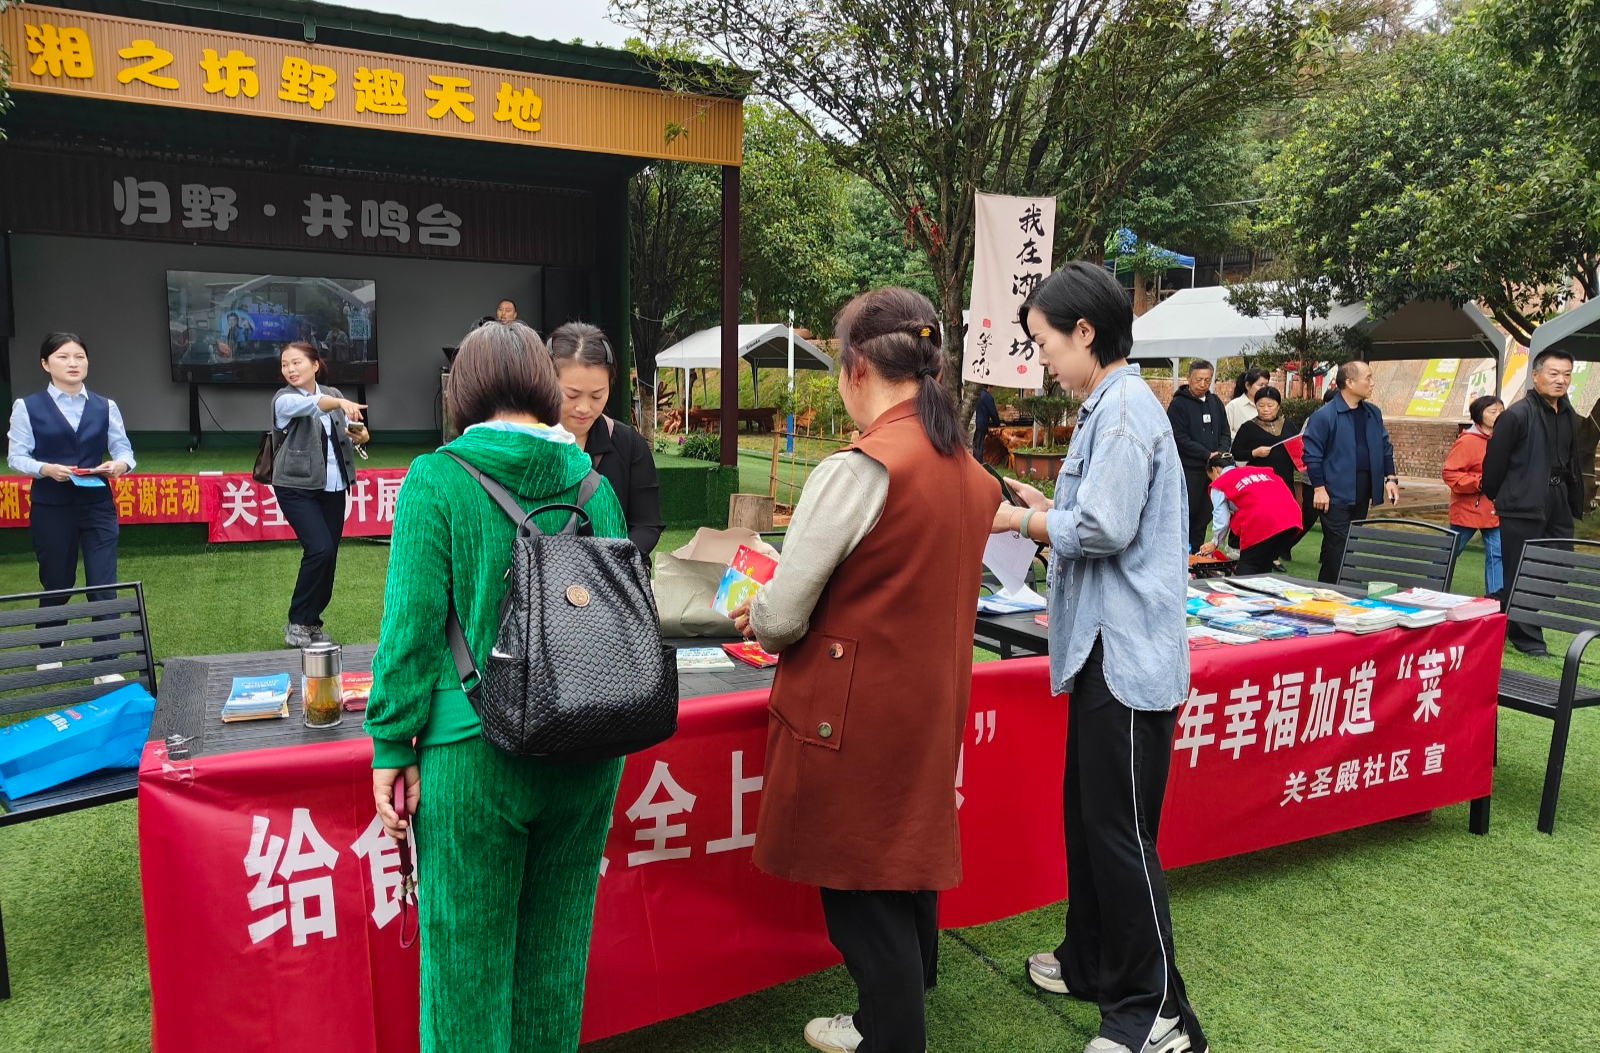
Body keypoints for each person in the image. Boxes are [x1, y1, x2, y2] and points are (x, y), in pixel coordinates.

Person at [729, 288, 999, 1053]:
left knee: (864, 904)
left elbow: (781, 618)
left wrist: (766, 604)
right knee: (905, 874)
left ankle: (891, 1036)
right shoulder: (965, 467)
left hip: (848, 719)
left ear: (854, 369)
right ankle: (882, 1022)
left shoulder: (862, 466)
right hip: (926, 709)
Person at [367, 320, 628, 1053]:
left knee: (465, 972)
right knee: (553, 959)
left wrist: (391, 743)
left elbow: (411, 629)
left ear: (463, 391)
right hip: (586, 749)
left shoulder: (437, 477)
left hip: (472, 751)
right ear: (547, 389)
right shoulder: (590, 482)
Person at [991, 261, 1207, 1053]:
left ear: (1086, 333)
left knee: (1120, 834)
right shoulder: (1109, 406)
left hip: (1125, 659)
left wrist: (1024, 525)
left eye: (1044, 341)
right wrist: (1051, 509)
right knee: (1092, 823)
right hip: (1103, 654)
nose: (1040, 357)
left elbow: (1106, 528)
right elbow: (1097, 514)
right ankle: (1089, 961)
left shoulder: (1119, 413)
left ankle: (1156, 1012)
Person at [6, 333, 136, 676]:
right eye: (63, 357)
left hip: (97, 503)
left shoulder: (105, 406)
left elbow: (123, 449)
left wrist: (119, 465)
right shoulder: (27, 406)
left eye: (79, 356)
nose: (74, 363)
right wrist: (45, 469)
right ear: (46, 364)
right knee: (57, 580)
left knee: (103, 583)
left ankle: (105, 661)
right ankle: (50, 644)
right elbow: (16, 457)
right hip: (52, 505)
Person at [1482, 350, 1585, 656]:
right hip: (1521, 502)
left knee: (1560, 568)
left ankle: (1492, 607)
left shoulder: (1568, 414)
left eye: (1566, 374)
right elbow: (1494, 464)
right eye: (1553, 373)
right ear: (1536, 375)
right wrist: (1500, 496)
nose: (1561, 380)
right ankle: (1527, 638)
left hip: (1557, 500)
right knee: (1521, 571)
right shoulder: (1516, 414)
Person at [271, 341, 368, 648]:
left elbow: (348, 435)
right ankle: (297, 621)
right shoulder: (283, 399)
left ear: (315, 365)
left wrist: (361, 436)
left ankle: (311, 622)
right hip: (295, 486)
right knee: (320, 549)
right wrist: (338, 404)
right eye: (285, 364)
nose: (290, 369)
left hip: (334, 486)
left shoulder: (334, 395)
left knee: (329, 556)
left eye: (296, 363)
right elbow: (315, 405)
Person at [547, 321, 665, 558]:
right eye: (571, 394)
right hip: (543, 582)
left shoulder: (628, 444)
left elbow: (646, 524)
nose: (584, 408)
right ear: (545, 382)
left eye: (597, 395)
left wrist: (614, 561)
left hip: (611, 580)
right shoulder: (526, 443)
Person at [1301, 360, 1399, 584]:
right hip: (1334, 489)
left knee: (1351, 541)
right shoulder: (1324, 416)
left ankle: (1338, 588)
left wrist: (1390, 478)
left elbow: (1385, 446)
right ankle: (1341, 589)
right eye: (1368, 378)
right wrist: (1319, 488)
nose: (1372, 383)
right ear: (1350, 382)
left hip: (1363, 488)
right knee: (1338, 544)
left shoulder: (1372, 413)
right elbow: (1312, 455)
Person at [1198, 453, 1303, 575]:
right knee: (1264, 565)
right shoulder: (1255, 471)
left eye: (1211, 477)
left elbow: (1222, 517)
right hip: (1290, 519)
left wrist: (1215, 542)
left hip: (1262, 521)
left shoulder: (1221, 482)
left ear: (1215, 470)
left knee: (1248, 566)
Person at [1166, 359, 1231, 552]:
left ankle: (1197, 554)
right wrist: (1206, 454)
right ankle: (1179, 555)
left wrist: (1219, 454)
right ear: (1189, 378)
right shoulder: (1178, 404)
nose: (1202, 384)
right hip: (1189, 470)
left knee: (1205, 515)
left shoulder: (1215, 402)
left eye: (1207, 380)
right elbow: (1179, 437)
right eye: (1198, 380)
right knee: (1186, 515)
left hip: (1212, 470)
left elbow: (1225, 432)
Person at [1442, 396, 1504, 598]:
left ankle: (1495, 600)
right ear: (1479, 415)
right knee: (1450, 551)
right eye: (1492, 411)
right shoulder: (1468, 440)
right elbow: (1450, 473)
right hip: (1469, 507)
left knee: (1497, 554)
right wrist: (1479, 482)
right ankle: (1431, 586)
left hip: (1494, 509)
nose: (1498, 415)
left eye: (1501, 411)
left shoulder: (1503, 438)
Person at [1230, 385, 1300, 494]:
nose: (1265, 410)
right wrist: (1254, 453)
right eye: (1261, 405)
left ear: (1278, 406)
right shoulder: (1248, 427)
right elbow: (1235, 453)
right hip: (1259, 482)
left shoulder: (1288, 424)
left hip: (1285, 480)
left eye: (1270, 405)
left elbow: (1297, 449)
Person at [1225, 368, 1268, 434]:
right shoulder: (1234, 406)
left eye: (1266, 385)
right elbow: (1225, 432)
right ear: (1248, 386)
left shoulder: (1269, 406)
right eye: (1261, 385)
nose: (1264, 388)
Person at [973, 382, 1001, 461]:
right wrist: (997, 423)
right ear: (988, 387)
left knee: (976, 445)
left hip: (976, 423)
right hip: (982, 424)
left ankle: (977, 462)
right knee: (979, 445)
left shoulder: (977, 395)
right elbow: (993, 412)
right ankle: (979, 463)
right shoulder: (987, 397)